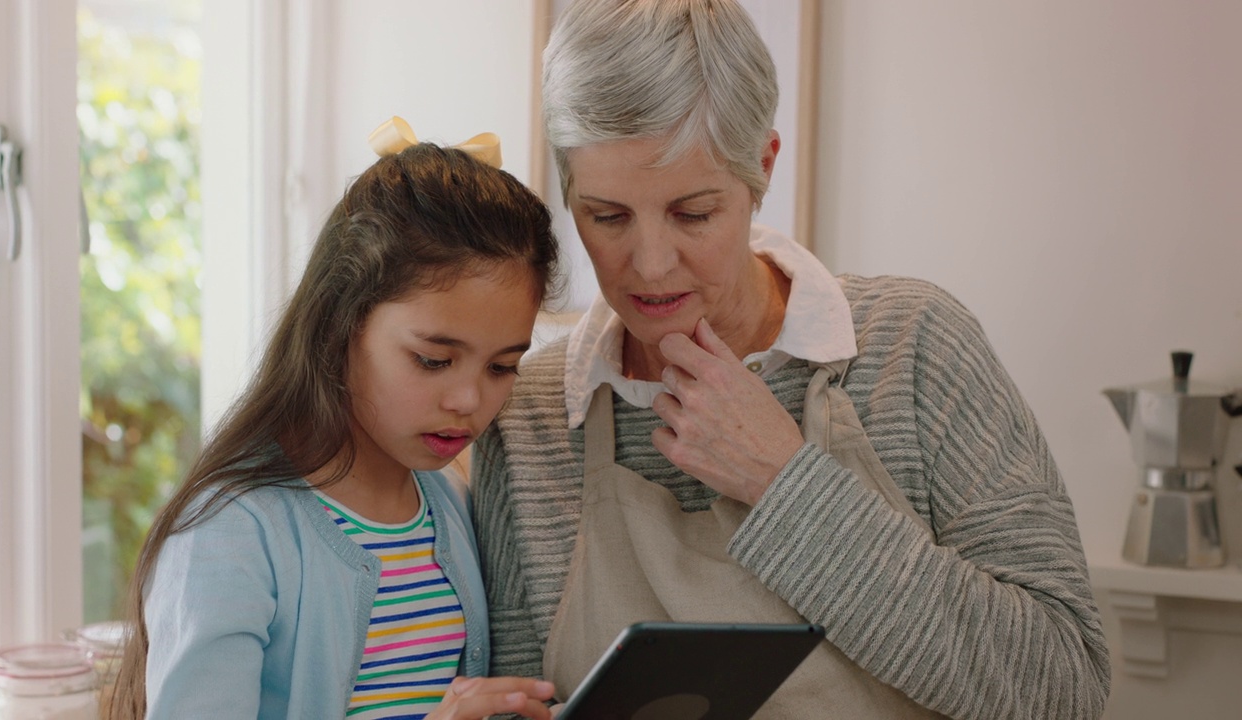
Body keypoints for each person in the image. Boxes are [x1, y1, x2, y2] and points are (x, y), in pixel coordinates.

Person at [469, 2, 1111, 719]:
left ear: (762, 168)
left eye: (693, 213)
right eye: (607, 216)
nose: (648, 265)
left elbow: (1065, 688)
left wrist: (784, 485)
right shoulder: (525, 415)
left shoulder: (917, 347)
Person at [111, 126, 560, 720]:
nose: (468, 399)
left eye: (503, 366)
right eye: (433, 360)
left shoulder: (447, 503)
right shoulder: (228, 535)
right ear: (341, 323)